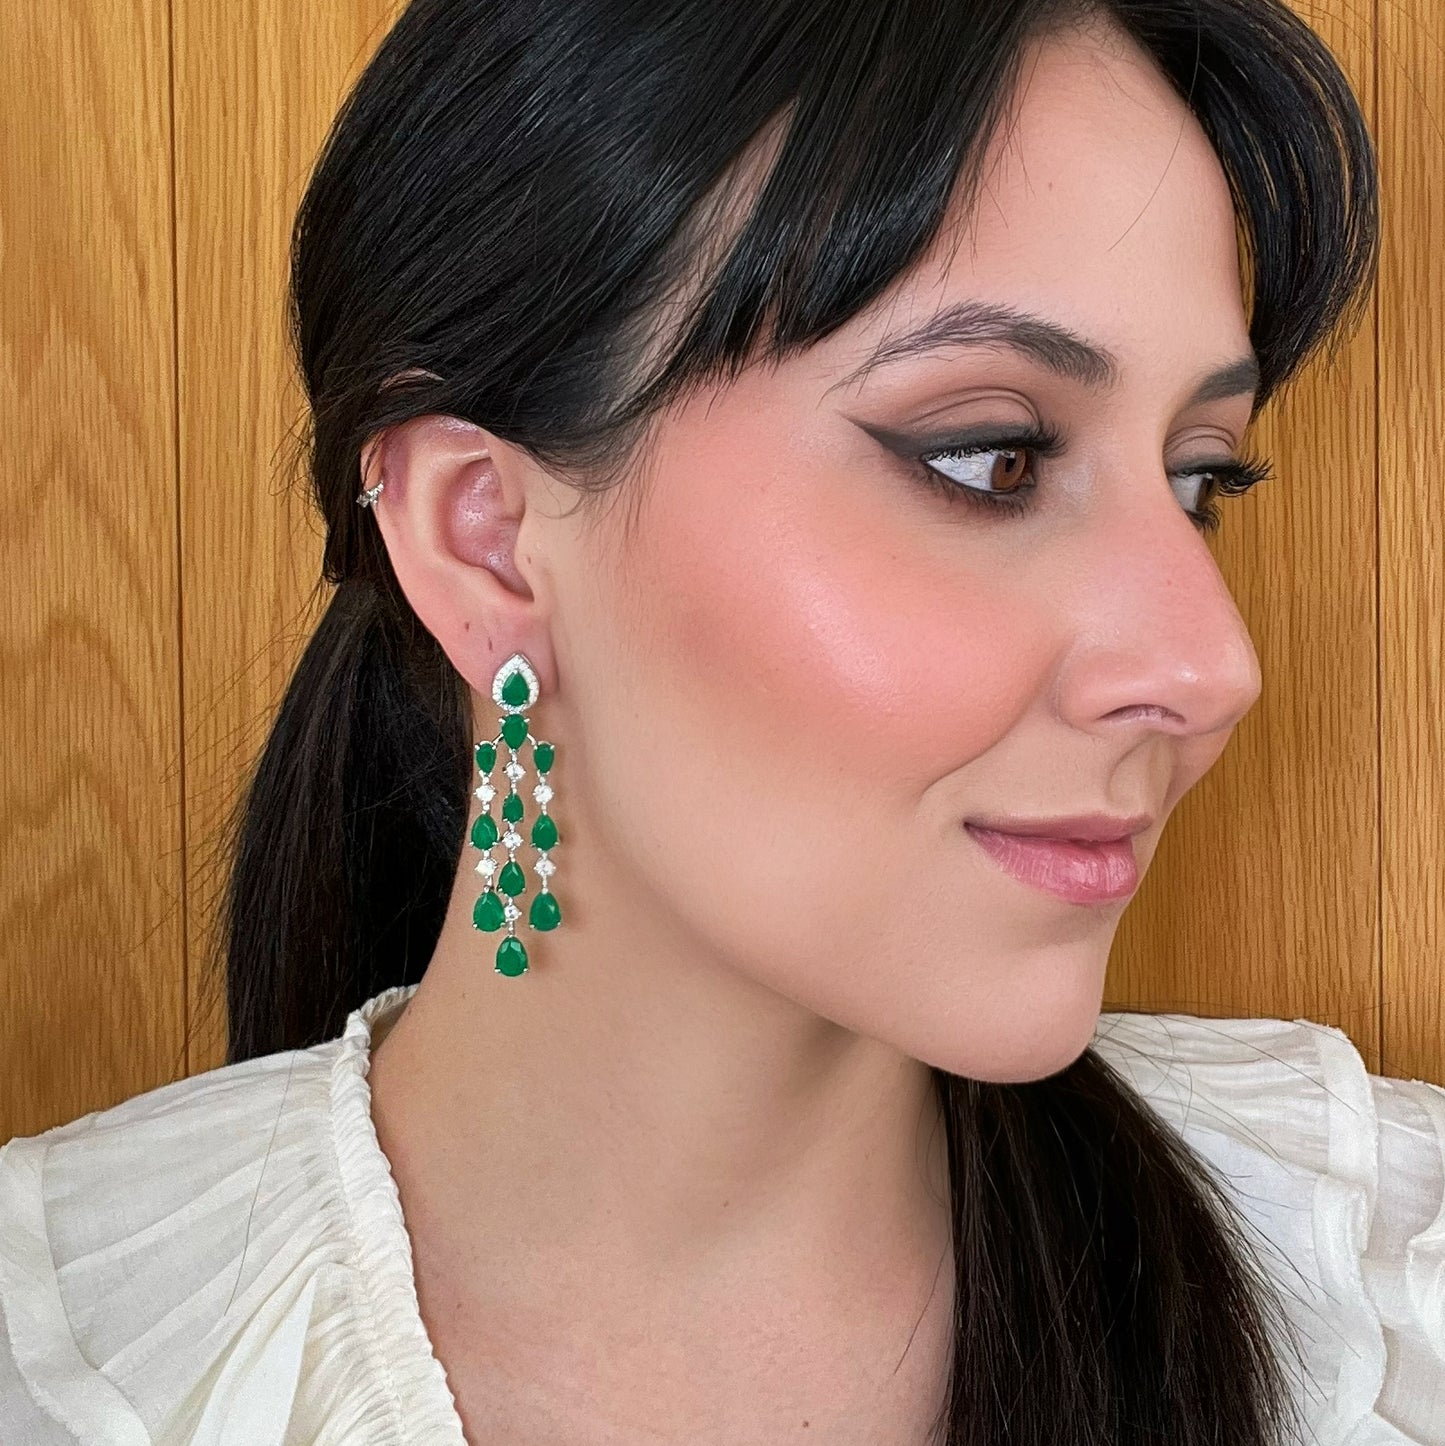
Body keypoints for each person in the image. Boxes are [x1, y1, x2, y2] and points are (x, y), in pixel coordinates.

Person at [3, 0, 1442, 1441]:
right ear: (486, 538)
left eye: (1200, 478)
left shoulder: (1387, 1302)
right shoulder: (71, 1366)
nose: (1209, 664)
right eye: (993, 460)